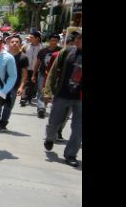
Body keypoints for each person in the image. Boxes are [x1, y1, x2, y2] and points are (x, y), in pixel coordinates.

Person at [43, 30, 82, 167]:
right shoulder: (67, 52)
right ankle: (50, 137)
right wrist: (48, 91)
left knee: (78, 129)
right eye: (78, 38)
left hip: (80, 99)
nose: (78, 40)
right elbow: (53, 72)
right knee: (54, 122)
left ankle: (71, 154)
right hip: (62, 95)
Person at [0, 35, 30, 131]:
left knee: (9, 106)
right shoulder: (3, 55)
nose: (15, 43)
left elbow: (24, 74)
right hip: (1, 85)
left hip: (14, 86)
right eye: (12, 42)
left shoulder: (23, 57)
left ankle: (3, 123)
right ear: (8, 43)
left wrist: (21, 87)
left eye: (17, 42)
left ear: (20, 44)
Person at [33, 33, 62, 119]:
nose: (54, 42)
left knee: (54, 92)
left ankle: (54, 109)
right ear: (49, 41)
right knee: (41, 91)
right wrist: (34, 74)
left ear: (58, 41)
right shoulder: (43, 51)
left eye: (56, 41)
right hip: (43, 74)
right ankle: (41, 108)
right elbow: (37, 63)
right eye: (52, 40)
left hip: (56, 75)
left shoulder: (61, 51)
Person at [20, 30, 43, 106]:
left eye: (31, 37)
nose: (29, 38)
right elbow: (21, 55)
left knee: (33, 84)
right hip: (26, 68)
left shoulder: (42, 48)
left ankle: (29, 97)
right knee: (26, 82)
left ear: (37, 38)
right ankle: (23, 98)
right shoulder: (26, 46)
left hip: (37, 69)